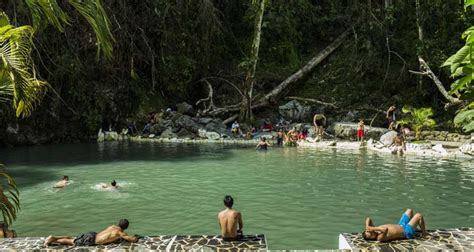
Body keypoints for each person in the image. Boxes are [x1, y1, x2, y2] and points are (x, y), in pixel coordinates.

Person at [44, 219, 138, 246]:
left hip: (93, 234)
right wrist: (136, 237)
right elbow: (131, 240)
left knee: (73, 238)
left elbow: (109, 235)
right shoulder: (121, 233)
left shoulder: (112, 226)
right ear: (126, 227)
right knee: (72, 242)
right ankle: (53, 240)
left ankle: (55, 237)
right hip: (92, 240)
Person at [362, 209, 430, 242]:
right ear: (371, 238)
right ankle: (424, 234)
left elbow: (368, 218)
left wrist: (367, 226)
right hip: (406, 232)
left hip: (400, 225)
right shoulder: (379, 238)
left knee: (410, 211)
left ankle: (414, 227)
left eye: (369, 231)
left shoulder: (375, 230)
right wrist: (372, 228)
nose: (371, 232)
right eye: (370, 235)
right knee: (419, 216)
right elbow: (385, 229)